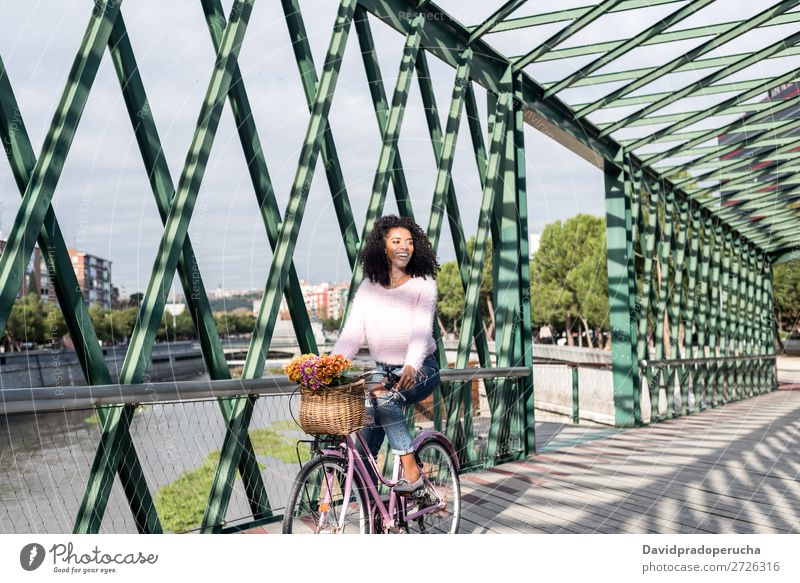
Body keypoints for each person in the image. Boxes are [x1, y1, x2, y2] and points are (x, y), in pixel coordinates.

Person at [331, 214, 441, 496]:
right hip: (383, 370)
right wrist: (329, 366)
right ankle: (376, 517)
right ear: (383, 247)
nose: (404, 247)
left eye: (409, 242)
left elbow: (420, 330)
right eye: (396, 241)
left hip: (422, 368)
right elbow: (352, 334)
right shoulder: (369, 289)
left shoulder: (423, 284)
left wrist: (411, 365)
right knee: (364, 444)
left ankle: (411, 467)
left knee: (382, 397)